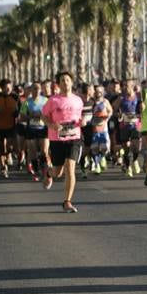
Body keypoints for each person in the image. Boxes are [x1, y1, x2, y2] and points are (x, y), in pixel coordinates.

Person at [43, 71, 85, 212]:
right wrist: (52, 125)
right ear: (58, 84)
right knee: (57, 172)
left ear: (71, 82)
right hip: (57, 139)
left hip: (74, 138)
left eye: (67, 80)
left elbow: (81, 118)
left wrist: (83, 122)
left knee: (70, 168)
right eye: (62, 80)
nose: (65, 82)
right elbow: (44, 117)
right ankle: (49, 174)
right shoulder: (53, 101)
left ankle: (67, 201)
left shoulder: (78, 100)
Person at [0, 79, 21, 178]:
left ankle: (9, 155)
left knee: (10, 147)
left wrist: (17, 114)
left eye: (10, 87)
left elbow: (20, 111)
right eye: (6, 88)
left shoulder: (15, 97)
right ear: (1, 88)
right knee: (1, 148)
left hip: (11, 126)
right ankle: (3, 167)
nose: (8, 89)